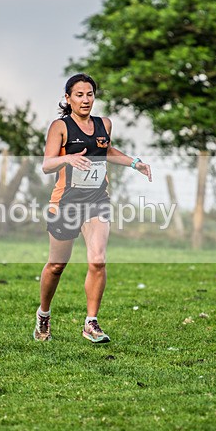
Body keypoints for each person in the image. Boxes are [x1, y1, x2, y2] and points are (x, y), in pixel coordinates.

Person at [34, 73, 152, 343]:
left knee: (98, 259)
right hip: (65, 202)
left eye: (89, 94)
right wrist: (68, 158)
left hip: (97, 200)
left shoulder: (104, 124)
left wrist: (135, 163)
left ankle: (91, 322)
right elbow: (46, 164)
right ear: (68, 98)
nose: (85, 100)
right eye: (79, 95)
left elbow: (107, 151)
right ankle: (43, 314)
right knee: (56, 266)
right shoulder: (60, 127)